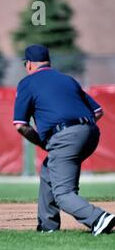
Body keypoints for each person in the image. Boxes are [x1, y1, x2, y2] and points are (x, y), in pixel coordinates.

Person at [13, 44, 115, 236]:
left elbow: (21, 125)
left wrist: (47, 143)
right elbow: (98, 111)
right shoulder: (68, 80)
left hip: (65, 135)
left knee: (63, 194)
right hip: (91, 132)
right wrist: (78, 130)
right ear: (48, 62)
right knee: (48, 170)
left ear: (28, 65)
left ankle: (99, 218)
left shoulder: (27, 83)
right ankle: (47, 226)